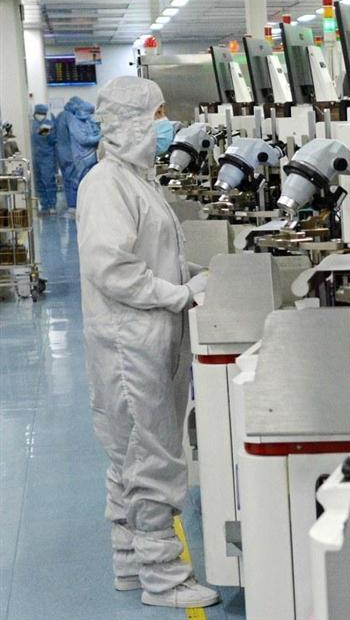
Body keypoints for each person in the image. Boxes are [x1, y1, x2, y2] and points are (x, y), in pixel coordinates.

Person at [77, 76, 217, 609]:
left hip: (144, 337)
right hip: (130, 343)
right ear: (133, 121)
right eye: (158, 115)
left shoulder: (136, 179)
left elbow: (151, 252)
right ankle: (164, 580)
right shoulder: (106, 184)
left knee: (130, 458)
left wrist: (193, 274)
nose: (165, 125)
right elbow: (113, 269)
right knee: (150, 458)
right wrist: (179, 295)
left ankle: (130, 564)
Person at [67, 97, 101, 206]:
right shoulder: (75, 123)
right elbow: (84, 140)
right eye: (89, 113)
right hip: (81, 157)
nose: (90, 116)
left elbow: (95, 131)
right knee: (78, 182)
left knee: (91, 183)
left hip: (92, 157)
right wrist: (100, 137)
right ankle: (74, 207)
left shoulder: (88, 121)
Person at [30, 104, 58, 214]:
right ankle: (44, 205)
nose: (40, 115)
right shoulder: (31, 124)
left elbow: (52, 141)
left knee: (48, 181)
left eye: (42, 113)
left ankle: (52, 205)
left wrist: (45, 133)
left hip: (46, 157)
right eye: (39, 113)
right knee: (38, 182)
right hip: (34, 157)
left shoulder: (48, 124)